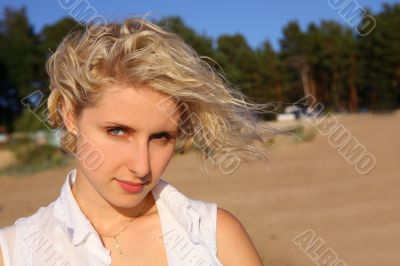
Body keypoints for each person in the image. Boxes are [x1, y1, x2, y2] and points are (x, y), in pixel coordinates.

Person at [0, 15, 272, 265]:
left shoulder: (215, 237)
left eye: (161, 137)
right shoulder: (13, 252)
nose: (142, 167)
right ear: (70, 115)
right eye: (118, 131)